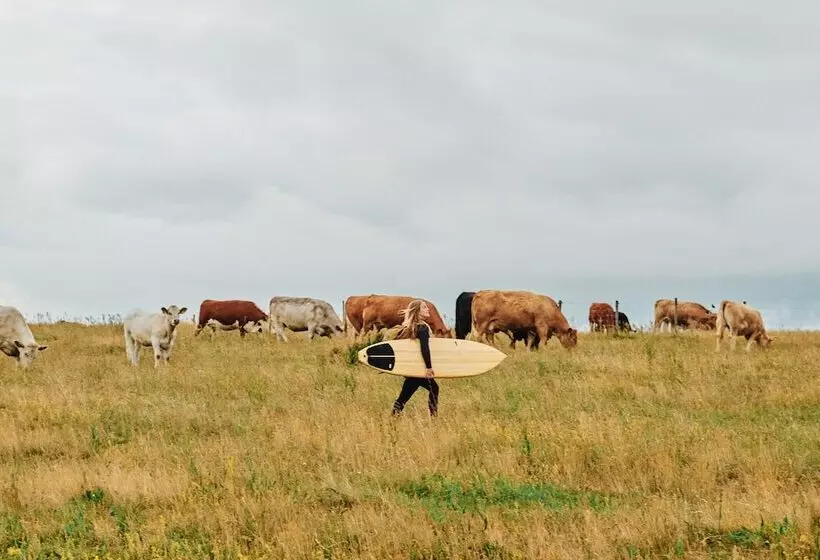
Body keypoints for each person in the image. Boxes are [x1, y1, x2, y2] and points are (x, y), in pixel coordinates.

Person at [391, 299, 439, 417]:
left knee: (405, 395)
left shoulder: (410, 327)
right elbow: (424, 348)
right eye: (424, 307)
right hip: (418, 368)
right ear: (417, 311)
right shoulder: (422, 327)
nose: (428, 309)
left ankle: (393, 417)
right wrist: (429, 367)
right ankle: (434, 418)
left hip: (411, 367)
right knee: (433, 388)